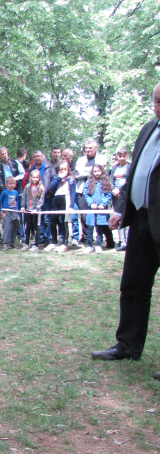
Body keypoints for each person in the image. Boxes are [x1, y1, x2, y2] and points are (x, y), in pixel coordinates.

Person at [91, 82, 160, 379]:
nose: (157, 106)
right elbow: (135, 172)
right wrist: (121, 209)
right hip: (142, 220)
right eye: (156, 100)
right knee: (133, 284)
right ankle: (128, 344)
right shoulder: (148, 129)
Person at [74, 139, 109, 245]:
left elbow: (102, 172)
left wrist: (86, 171)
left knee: (101, 216)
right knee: (85, 216)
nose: (87, 150)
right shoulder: (80, 160)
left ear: (96, 148)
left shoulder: (102, 158)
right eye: (86, 148)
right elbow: (78, 174)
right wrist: (92, 171)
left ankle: (104, 240)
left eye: (90, 148)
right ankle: (87, 239)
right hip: (83, 190)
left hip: (99, 190)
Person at [44, 161, 76, 253]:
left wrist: (71, 205)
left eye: (65, 169)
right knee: (53, 221)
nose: (63, 171)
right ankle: (54, 242)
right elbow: (51, 187)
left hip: (66, 199)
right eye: (61, 169)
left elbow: (73, 193)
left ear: (68, 169)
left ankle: (64, 243)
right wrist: (59, 178)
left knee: (64, 222)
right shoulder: (56, 178)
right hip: (56, 199)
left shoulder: (71, 179)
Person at [82, 164, 112, 254]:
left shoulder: (106, 182)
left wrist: (103, 204)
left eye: (99, 171)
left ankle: (98, 245)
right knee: (90, 227)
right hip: (91, 209)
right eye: (95, 171)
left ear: (102, 171)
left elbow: (108, 195)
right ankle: (89, 245)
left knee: (100, 227)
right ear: (92, 172)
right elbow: (86, 194)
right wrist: (91, 203)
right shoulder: (89, 182)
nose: (97, 173)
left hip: (101, 209)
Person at [110, 147, 131, 252]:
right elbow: (110, 181)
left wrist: (121, 190)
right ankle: (122, 241)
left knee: (126, 218)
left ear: (127, 156)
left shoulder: (130, 167)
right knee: (118, 218)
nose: (122, 158)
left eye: (124, 156)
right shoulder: (114, 168)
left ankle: (128, 241)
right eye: (120, 156)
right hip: (116, 196)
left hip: (126, 196)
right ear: (117, 156)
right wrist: (113, 189)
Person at [20, 169, 44, 251]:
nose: (35, 179)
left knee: (36, 227)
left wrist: (37, 209)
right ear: (31, 177)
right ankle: (26, 243)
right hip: (27, 210)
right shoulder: (27, 187)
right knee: (28, 227)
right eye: (33, 177)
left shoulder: (40, 188)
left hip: (36, 212)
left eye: (37, 177)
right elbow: (24, 197)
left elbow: (41, 200)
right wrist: (23, 206)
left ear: (39, 178)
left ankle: (36, 245)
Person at [0, 177, 20, 250]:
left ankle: (12, 243)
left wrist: (17, 209)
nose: (12, 185)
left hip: (14, 212)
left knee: (14, 228)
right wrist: (0, 211)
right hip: (7, 212)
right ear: (6, 184)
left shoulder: (15, 192)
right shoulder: (4, 192)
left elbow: (17, 201)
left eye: (13, 183)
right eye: (10, 183)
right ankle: (5, 243)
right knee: (7, 228)